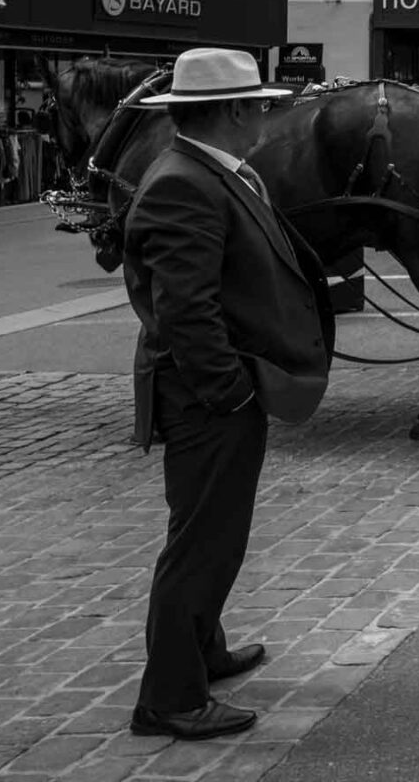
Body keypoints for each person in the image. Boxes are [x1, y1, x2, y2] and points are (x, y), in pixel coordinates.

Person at [122, 48, 336, 740]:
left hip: (220, 386)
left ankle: (202, 651)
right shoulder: (184, 181)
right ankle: (170, 697)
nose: (271, 117)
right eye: (264, 106)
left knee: (218, 535)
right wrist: (230, 393)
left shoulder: (210, 171)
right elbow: (185, 309)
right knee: (202, 544)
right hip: (207, 395)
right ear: (236, 111)